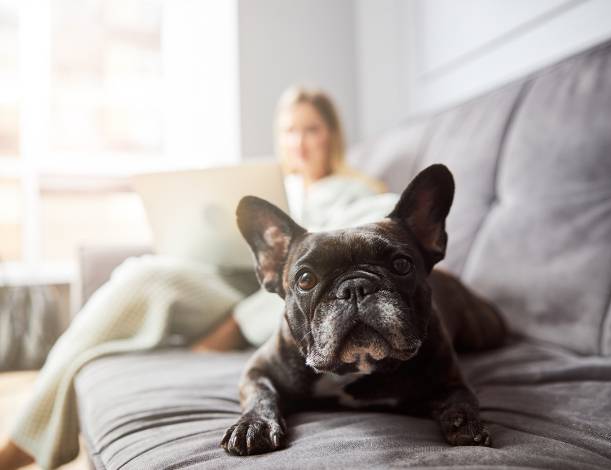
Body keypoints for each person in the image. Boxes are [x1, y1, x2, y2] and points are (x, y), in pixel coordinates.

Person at [0, 85, 398, 470]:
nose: (300, 141)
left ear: (332, 134)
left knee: (150, 283)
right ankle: (28, 428)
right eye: (290, 130)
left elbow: (350, 257)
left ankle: (21, 444)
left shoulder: (356, 192)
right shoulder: (278, 189)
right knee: (140, 273)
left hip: (266, 303)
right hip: (229, 281)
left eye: (312, 129)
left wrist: (236, 324)